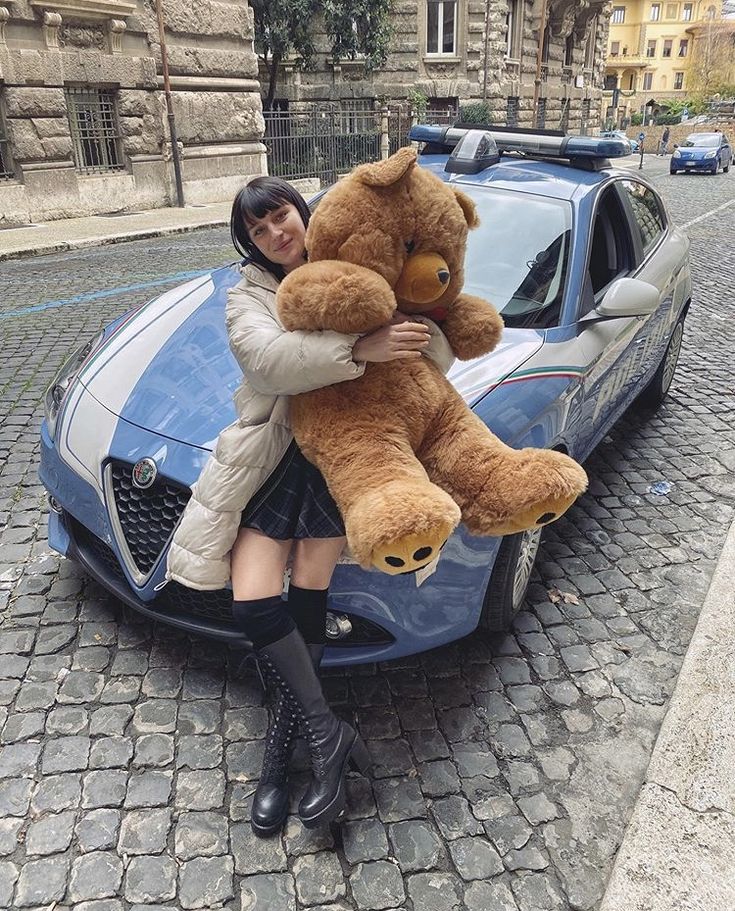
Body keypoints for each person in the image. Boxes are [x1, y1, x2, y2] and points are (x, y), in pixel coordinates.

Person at [167, 176, 454, 837]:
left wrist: (411, 334)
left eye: (279, 217)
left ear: (301, 209)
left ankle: (280, 759)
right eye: (258, 231)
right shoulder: (249, 295)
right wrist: (358, 348)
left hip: (342, 459)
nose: (275, 235)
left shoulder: (360, 259)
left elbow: (430, 350)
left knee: (307, 605)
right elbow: (266, 363)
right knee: (253, 599)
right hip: (275, 458)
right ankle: (323, 732)